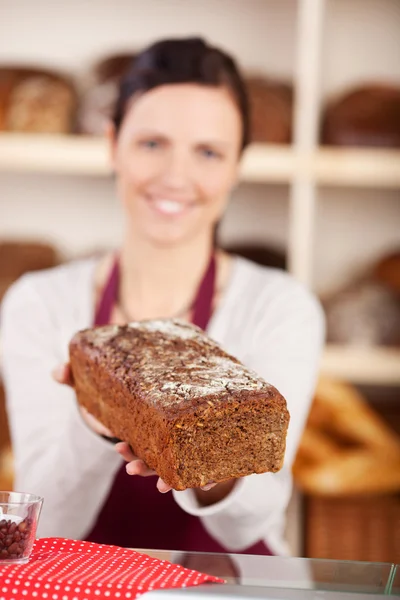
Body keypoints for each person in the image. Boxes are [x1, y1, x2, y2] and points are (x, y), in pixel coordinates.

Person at [1, 37, 325, 557]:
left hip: (230, 585)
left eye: (208, 152)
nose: (176, 176)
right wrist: (94, 415)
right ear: (113, 145)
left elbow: (251, 523)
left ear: (237, 165)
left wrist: (205, 460)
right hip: (80, 585)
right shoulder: (39, 304)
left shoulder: (280, 307)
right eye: (152, 143)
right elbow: (46, 522)